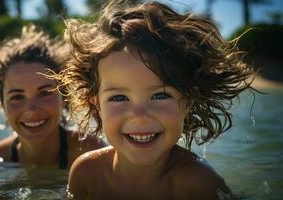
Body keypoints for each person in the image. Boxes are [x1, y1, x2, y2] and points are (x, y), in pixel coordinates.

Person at [56, 1, 256, 199]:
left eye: (160, 95)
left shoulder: (198, 184)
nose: (140, 116)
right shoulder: (86, 174)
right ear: (97, 105)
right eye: (119, 97)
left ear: (187, 101)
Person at [0, 25, 105, 169]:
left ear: (64, 98)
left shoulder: (91, 153)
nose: (31, 109)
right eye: (17, 97)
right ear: (3, 105)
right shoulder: (3, 155)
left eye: (44, 93)